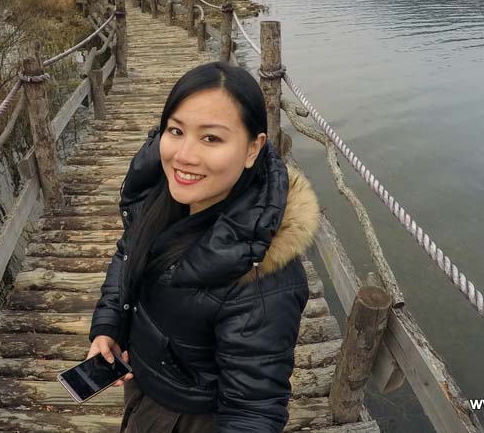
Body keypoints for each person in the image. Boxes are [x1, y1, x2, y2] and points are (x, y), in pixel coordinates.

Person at [87, 62, 320, 432]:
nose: (184, 156)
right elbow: (127, 253)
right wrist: (109, 325)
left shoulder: (262, 282)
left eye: (211, 138)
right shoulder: (162, 194)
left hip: (189, 418)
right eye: (176, 130)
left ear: (252, 148)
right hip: (145, 385)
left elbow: (253, 412)